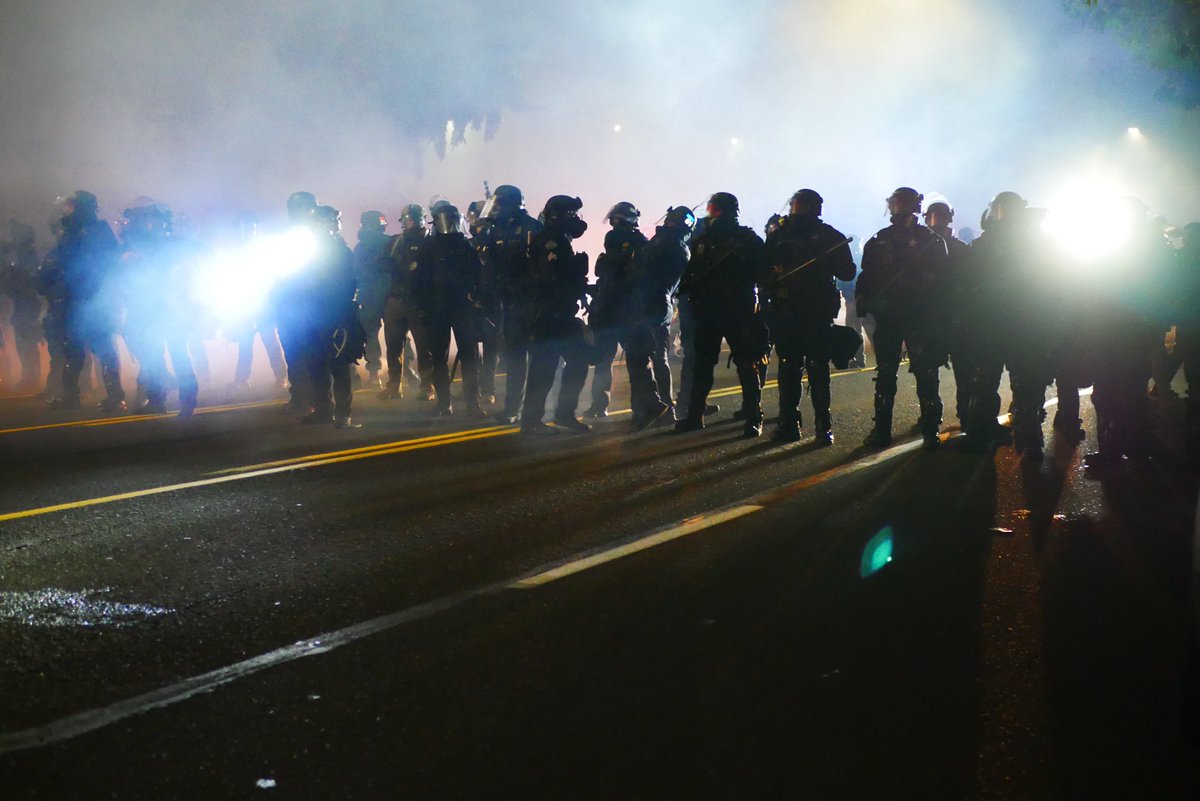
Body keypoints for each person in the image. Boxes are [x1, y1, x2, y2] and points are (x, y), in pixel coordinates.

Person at [961, 192, 1055, 461]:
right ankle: (1027, 439)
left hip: (1003, 327)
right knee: (1017, 385)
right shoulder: (1035, 245)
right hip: (1015, 327)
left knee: (994, 383)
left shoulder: (986, 246)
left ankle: (993, 437)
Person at [856, 187, 950, 448]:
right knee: (920, 372)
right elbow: (867, 277)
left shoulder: (889, 240)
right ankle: (929, 430)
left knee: (897, 373)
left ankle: (890, 432)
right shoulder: (929, 240)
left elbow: (942, 282)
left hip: (904, 316)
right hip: (910, 316)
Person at [762, 189, 856, 444]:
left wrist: (826, 261)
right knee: (790, 368)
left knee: (815, 368)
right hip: (788, 309)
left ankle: (822, 426)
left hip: (814, 310)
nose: (798, 209)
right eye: (796, 204)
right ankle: (789, 424)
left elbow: (847, 272)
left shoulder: (828, 236)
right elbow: (763, 270)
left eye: (802, 205)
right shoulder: (779, 234)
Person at [673, 192, 768, 437]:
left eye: (713, 209)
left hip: (736, 310)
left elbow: (763, 273)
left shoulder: (746, 239)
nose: (710, 213)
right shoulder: (706, 238)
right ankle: (697, 416)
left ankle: (752, 416)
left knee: (745, 364)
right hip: (713, 310)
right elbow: (690, 272)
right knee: (707, 365)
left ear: (724, 211)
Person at [48, 190, 126, 411]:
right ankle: (70, 396)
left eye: (72, 206)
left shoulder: (97, 231)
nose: (67, 210)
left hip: (94, 301)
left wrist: (95, 290)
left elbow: (108, 265)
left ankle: (115, 396)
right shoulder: (70, 232)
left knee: (103, 348)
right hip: (73, 300)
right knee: (72, 349)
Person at [520, 195, 592, 434]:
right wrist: (577, 278)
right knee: (544, 368)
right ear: (559, 215)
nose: (575, 219)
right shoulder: (551, 240)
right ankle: (533, 421)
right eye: (571, 214)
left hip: (559, 313)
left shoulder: (557, 238)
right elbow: (553, 279)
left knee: (575, 361)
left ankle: (562, 414)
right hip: (550, 314)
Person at [119, 203, 199, 415]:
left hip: (171, 310)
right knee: (153, 356)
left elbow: (185, 274)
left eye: (150, 220)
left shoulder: (171, 246)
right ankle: (157, 399)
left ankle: (188, 400)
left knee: (177, 354)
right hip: (151, 308)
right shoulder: (141, 246)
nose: (148, 224)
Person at [413, 204, 486, 417]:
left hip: (460, 306)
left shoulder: (465, 245)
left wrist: (478, 299)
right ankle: (446, 403)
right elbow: (419, 281)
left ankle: (471, 403)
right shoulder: (430, 247)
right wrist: (422, 307)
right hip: (440, 308)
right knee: (440, 357)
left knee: (468, 356)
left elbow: (479, 276)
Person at [478, 185, 543, 423]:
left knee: (530, 358)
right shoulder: (498, 230)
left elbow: (541, 268)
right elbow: (491, 266)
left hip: (528, 302)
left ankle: (527, 411)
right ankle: (513, 408)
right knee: (514, 357)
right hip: (507, 302)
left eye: (499, 204)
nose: (495, 209)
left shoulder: (533, 228)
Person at [625, 205, 693, 431]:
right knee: (651, 357)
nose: (668, 223)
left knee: (648, 357)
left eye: (672, 221)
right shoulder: (670, 243)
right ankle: (655, 408)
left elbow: (647, 272)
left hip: (652, 304)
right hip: (653, 303)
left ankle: (658, 407)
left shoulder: (671, 244)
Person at [584, 201, 648, 418]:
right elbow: (607, 277)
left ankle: (642, 407)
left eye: (617, 220)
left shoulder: (640, 245)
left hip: (626, 312)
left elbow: (637, 280)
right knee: (603, 360)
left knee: (636, 361)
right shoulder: (613, 244)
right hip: (608, 311)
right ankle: (598, 405)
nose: (613, 225)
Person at [300, 205, 362, 428]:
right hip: (314, 316)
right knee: (316, 364)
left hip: (336, 315)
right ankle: (323, 410)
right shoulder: (308, 251)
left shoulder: (341, 251)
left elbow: (348, 285)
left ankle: (343, 414)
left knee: (338, 365)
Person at [923, 201, 972, 427]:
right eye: (932, 217)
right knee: (928, 371)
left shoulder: (960, 249)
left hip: (956, 316)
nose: (935, 223)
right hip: (931, 317)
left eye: (939, 218)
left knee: (964, 369)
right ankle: (931, 413)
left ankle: (966, 410)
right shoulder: (919, 249)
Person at [378, 204, 431, 401]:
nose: (411, 222)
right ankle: (394, 387)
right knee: (393, 345)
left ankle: (427, 386)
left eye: (414, 218)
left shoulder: (430, 241)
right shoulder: (396, 241)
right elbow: (381, 264)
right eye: (409, 218)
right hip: (397, 299)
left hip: (420, 300)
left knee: (424, 347)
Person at [273, 191, 319, 414]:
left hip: (312, 306)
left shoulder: (321, 234)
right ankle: (299, 397)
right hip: (288, 304)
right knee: (293, 354)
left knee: (312, 354)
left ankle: (315, 399)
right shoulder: (282, 234)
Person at [0, 221, 45, 393]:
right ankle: (29, 377)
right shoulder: (22, 254)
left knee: (26, 341)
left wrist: (9, 278)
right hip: (22, 303)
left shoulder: (26, 255)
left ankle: (31, 378)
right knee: (23, 341)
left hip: (27, 304)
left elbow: (24, 280)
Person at [352, 210, 392, 391]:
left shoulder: (360, 248)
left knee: (371, 335)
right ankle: (405, 370)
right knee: (398, 335)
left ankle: (374, 373)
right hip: (390, 295)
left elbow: (356, 273)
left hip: (369, 296)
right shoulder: (390, 242)